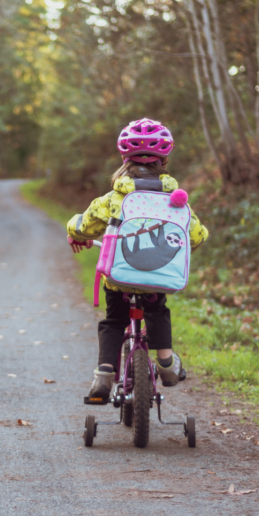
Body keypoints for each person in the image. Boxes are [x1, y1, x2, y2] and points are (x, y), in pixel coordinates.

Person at [66, 118, 209, 399]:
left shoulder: (114, 198)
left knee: (113, 321)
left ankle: (104, 375)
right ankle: (167, 363)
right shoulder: (176, 200)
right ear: (165, 159)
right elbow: (197, 236)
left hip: (120, 279)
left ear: (124, 157)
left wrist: (74, 231)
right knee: (157, 311)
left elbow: (84, 225)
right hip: (157, 281)